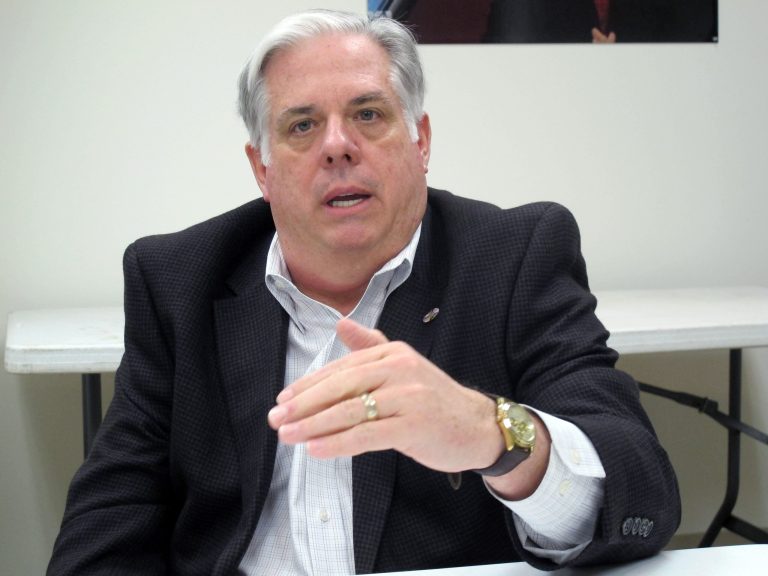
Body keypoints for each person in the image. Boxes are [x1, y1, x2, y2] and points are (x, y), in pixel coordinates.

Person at [47, 9, 680, 575]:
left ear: (420, 140)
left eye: (368, 115)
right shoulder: (178, 279)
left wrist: (496, 434)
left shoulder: (513, 257)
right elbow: (110, 523)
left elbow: (642, 492)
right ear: (261, 169)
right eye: (301, 126)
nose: (337, 147)